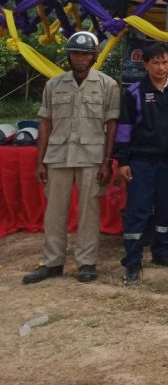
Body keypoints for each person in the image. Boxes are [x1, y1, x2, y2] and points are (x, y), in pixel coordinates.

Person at [23, 31, 120, 285]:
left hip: (92, 157)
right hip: (58, 156)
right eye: (76, 53)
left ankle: (86, 263)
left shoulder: (108, 85)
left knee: (89, 211)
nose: (80, 58)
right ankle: (52, 262)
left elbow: (112, 125)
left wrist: (107, 161)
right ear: (69, 55)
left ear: (94, 56)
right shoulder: (54, 85)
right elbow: (45, 123)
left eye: (85, 54)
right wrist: (40, 161)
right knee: (54, 212)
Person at [114, 41, 168, 284]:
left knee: (165, 208)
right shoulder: (134, 92)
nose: (160, 67)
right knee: (138, 211)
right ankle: (132, 261)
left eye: (165, 62)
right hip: (140, 162)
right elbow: (124, 128)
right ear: (145, 65)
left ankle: (162, 253)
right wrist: (123, 160)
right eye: (155, 62)